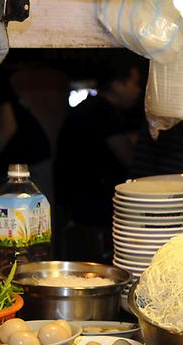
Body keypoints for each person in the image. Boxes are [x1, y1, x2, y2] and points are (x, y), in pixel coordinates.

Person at [55, 51, 145, 260]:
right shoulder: (102, 112)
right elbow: (127, 156)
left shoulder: (89, 108)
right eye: (135, 83)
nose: (138, 90)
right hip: (91, 205)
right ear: (117, 84)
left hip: (74, 201)